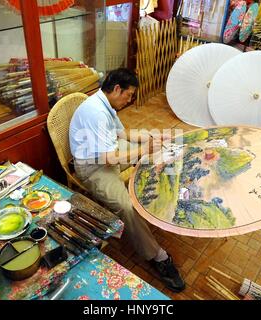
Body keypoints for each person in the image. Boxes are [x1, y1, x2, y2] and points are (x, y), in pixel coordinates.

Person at [69, 68, 185, 292]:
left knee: (157, 151)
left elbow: (122, 135)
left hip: (108, 154)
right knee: (127, 206)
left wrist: (152, 138)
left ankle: (159, 203)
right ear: (117, 89)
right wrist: (142, 151)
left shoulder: (106, 105)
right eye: (129, 95)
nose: (130, 100)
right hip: (92, 168)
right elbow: (110, 159)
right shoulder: (96, 112)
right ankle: (158, 256)